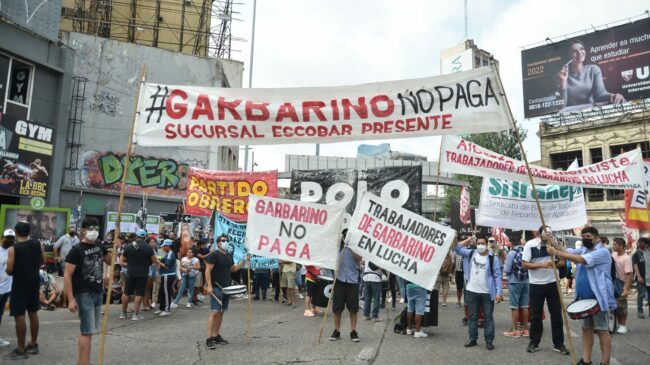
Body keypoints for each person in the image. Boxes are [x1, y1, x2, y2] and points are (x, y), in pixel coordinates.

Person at [547, 226, 616, 365]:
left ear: (596, 237)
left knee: (602, 330)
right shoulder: (584, 249)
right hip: (583, 299)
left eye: (588, 237)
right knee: (586, 330)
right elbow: (567, 251)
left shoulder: (602, 252)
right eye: (583, 237)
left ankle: (605, 362)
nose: (585, 239)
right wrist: (551, 240)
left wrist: (556, 253)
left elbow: (579, 259)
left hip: (598, 299)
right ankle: (586, 360)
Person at [64, 217, 111, 365]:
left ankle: (85, 361)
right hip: (84, 294)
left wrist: (112, 250)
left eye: (96, 229)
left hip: (98, 292)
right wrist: (71, 299)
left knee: (90, 330)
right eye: (91, 228)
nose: (94, 232)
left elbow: (109, 261)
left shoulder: (99, 244)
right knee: (86, 331)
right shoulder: (76, 250)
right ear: (83, 230)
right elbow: (67, 275)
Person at [522, 226, 569, 355]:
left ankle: (559, 344)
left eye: (550, 233)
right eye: (546, 233)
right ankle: (534, 342)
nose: (548, 235)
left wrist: (554, 245)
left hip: (553, 283)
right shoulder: (530, 245)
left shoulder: (554, 245)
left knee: (557, 315)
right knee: (535, 315)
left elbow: (563, 261)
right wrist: (542, 265)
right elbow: (525, 264)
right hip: (536, 284)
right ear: (539, 233)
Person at [454, 235, 502, 350]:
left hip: (487, 293)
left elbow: (497, 276)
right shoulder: (470, 253)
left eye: (483, 243)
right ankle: (472, 338)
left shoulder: (492, 258)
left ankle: (489, 340)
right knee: (472, 316)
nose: (480, 245)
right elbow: (456, 248)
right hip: (472, 291)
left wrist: (499, 293)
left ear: (487, 244)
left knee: (488, 317)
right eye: (478, 243)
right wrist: (468, 240)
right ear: (476, 244)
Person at [5, 221, 44, 359]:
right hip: (34, 283)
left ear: (16, 232)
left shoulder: (13, 248)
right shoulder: (37, 244)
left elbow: (9, 270)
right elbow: (42, 260)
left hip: (19, 285)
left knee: (19, 315)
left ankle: (21, 349)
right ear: (29, 232)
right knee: (33, 312)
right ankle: (33, 344)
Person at [204, 234, 247, 349]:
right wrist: (209, 286)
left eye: (227, 240)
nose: (225, 242)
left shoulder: (228, 255)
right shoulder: (214, 255)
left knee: (221, 312)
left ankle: (216, 335)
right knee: (214, 312)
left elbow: (233, 269)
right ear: (218, 243)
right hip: (216, 287)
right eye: (223, 240)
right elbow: (207, 270)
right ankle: (209, 339)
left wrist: (243, 262)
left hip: (227, 288)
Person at [557, 40, 625, 107]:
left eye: (581, 49)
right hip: (571, 115)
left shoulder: (593, 69)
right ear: (568, 56)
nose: (579, 52)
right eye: (574, 51)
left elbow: (600, 94)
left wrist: (613, 96)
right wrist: (563, 83)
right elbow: (560, 106)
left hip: (592, 113)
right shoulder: (561, 76)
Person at [330, 230, 362, 342]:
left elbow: (359, 258)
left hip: (352, 280)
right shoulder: (338, 247)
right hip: (339, 280)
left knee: (353, 308)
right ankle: (336, 331)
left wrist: (351, 246)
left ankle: (353, 331)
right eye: (345, 236)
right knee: (337, 308)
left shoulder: (356, 247)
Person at [120, 229, 157, 320]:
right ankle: (135, 315)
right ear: (145, 237)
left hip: (131, 272)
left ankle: (123, 313)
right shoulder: (148, 248)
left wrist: (131, 263)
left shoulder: (129, 246)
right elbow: (154, 261)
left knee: (126, 292)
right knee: (139, 293)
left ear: (136, 236)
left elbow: (122, 260)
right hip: (143, 273)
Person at [503, 233, 529, 337]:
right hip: (526, 281)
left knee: (514, 306)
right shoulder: (525, 250)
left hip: (514, 281)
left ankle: (515, 330)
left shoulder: (512, 253)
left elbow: (507, 269)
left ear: (510, 242)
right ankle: (526, 329)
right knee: (525, 305)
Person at [611, 237, 632, 334]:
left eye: (615, 244)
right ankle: (614, 324)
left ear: (621, 246)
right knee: (613, 305)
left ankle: (622, 325)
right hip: (613, 282)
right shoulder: (614, 254)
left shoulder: (626, 258)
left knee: (621, 306)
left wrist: (626, 289)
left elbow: (629, 275)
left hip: (622, 283)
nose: (613, 246)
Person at [0, 229, 15, 348]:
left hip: (6, 290)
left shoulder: (12, 251)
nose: (9, 240)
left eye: (11, 238)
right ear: (2, 237)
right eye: (7, 237)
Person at [157, 239, 177, 316]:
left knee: (166, 292)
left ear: (167, 246)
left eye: (164, 246)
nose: (163, 248)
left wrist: (158, 261)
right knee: (162, 292)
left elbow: (166, 266)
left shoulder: (170, 254)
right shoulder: (169, 253)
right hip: (165, 275)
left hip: (167, 275)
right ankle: (161, 308)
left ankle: (167, 309)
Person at [632, 237, 650, 319]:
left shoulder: (649, 252)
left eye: (641, 242)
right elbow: (635, 265)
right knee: (641, 295)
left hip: (649, 277)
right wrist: (639, 276)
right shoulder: (636, 254)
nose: (639, 244)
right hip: (641, 278)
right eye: (639, 242)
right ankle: (640, 311)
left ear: (646, 244)